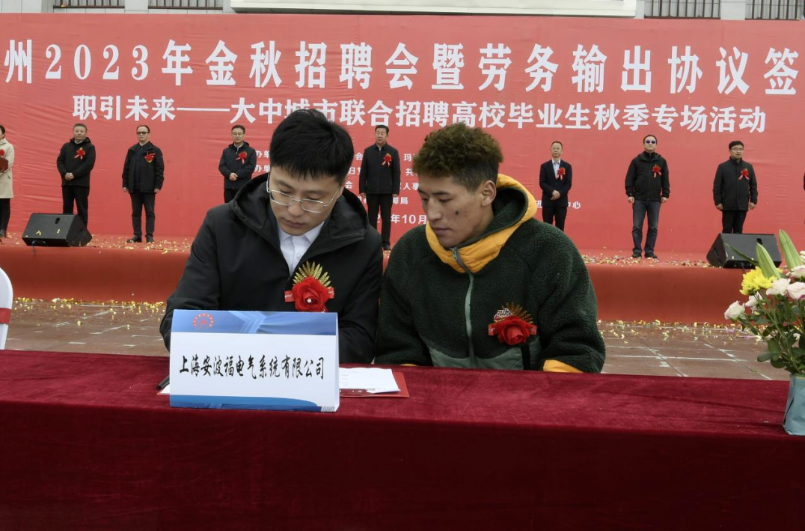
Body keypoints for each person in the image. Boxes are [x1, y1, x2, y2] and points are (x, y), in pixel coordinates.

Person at [374, 123, 605, 372]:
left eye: (444, 199)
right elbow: (396, 350)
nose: (432, 214)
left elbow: (577, 350)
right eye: (424, 198)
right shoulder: (410, 253)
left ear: (486, 193)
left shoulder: (550, 251)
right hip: (435, 397)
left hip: (531, 397)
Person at [160, 109, 383, 364]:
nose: (295, 210)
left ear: (340, 188)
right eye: (284, 192)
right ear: (270, 172)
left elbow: (360, 339)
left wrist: (279, 354)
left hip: (312, 382)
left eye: (313, 199)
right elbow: (182, 318)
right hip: (232, 376)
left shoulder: (363, 244)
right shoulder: (222, 227)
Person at [625, 134, 669, 259]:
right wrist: (630, 194)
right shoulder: (636, 161)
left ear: (656, 145)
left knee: (653, 227)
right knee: (637, 226)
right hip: (639, 199)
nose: (650, 143)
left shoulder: (661, 161)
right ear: (643, 144)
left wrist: (665, 194)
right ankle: (637, 250)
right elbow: (629, 179)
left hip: (655, 200)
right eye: (648, 141)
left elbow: (665, 179)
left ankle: (649, 251)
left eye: (653, 142)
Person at [359, 125, 400, 250]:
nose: (380, 135)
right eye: (378, 132)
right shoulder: (368, 151)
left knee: (386, 218)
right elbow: (363, 171)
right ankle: (372, 241)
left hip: (387, 191)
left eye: (382, 133)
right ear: (375, 134)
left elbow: (396, 172)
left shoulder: (392, 152)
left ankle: (385, 242)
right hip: (371, 190)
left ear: (387, 135)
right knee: (371, 217)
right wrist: (362, 188)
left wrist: (395, 190)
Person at [122, 125, 164, 243]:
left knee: (150, 212)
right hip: (134, 186)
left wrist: (158, 185)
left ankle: (149, 235)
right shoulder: (132, 150)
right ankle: (137, 235)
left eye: (144, 133)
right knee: (136, 212)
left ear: (148, 134)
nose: (141, 135)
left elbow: (159, 169)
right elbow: (126, 168)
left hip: (149, 187)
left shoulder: (155, 150)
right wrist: (125, 184)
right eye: (139, 133)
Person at [56, 123, 96, 229]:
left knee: (82, 209)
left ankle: (81, 232)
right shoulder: (66, 146)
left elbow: (89, 164)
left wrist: (74, 174)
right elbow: (60, 161)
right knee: (67, 209)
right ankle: (65, 231)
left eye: (81, 131)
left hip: (81, 184)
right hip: (67, 183)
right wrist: (64, 173)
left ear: (85, 133)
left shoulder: (90, 147)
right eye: (77, 131)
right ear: (73, 132)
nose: (79, 133)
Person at [713, 141, 757, 234]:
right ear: (730, 151)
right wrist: (718, 201)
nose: (738, 151)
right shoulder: (723, 167)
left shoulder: (748, 166)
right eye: (735, 149)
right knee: (727, 230)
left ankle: (737, 244)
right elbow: (717, 186)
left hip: (742, 204)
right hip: (727, 204)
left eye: (741, 149)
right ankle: (726, 244)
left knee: (739, 230)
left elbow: (753, 185)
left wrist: (753, 200)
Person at [538, 141, 573, 232]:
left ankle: (559, 242)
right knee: (547, 228)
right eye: (554, 148)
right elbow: (542, 182)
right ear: (550, 150)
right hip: (548, 201)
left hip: (561, 202)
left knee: (560, 228)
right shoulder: (544, 166)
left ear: (562, 151)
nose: (556, 150)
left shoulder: (567, 166)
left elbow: (568, 183)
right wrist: (552, 191)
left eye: (558, 148)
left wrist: (559, 193)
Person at [218, 124, 256, 203]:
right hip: (229, 187)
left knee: (243, 209)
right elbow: (222, 166)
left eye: (239, 134)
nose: (237, 136)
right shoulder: (226, 151)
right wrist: (229, 174)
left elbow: (250, 167)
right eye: (235, 134)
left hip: (244, 187)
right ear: (231, 135)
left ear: (244, 135)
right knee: (229, 208)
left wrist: (237, 175)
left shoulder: (251, 151)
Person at [0, 125, 14, 239]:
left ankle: (3, 229)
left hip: (3, 179)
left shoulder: (9, 147)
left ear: (3, 134)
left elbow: (8, 164)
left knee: (4, 205)